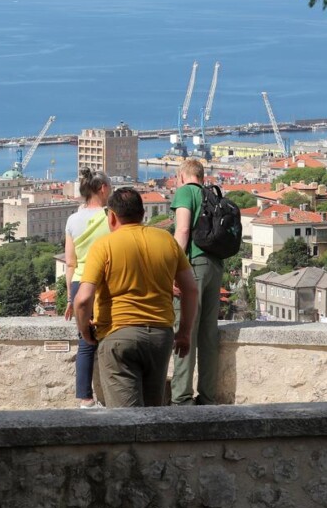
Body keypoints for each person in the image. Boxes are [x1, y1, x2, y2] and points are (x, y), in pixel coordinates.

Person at [74, 187, 198, 408]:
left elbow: (83, 299)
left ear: (111, 216)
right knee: (152, 414)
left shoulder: (103, 246)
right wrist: (185, 333)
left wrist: (85, 331)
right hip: (160, 335)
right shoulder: (167, 241)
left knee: (125, 420)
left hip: (118, 334)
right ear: (143, 214)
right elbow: (190, 289)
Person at [170, 158, 222, 406]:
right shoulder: (211, 195)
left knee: (186, 328)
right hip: (216, 266)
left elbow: (182, 230)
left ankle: (181, 397)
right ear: (201, 176)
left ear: (182, 176)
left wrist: (173, 267)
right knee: (209, 333)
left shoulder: (184, 192)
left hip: (194, 266)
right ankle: (208, 396)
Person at [62, 168, 111, 408]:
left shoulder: (72, 219)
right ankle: (115, 394)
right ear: (102, 189)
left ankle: (85, 397)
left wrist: (71, 298)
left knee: (85, 340)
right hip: (105, 281)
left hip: (81, 282)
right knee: (112, 334)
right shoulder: (110, 217)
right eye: (109, 188)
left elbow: (70, 262)